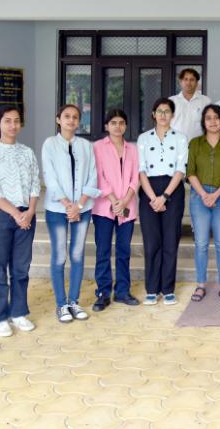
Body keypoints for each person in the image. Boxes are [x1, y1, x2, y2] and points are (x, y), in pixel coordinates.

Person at [0, 106, 40, 337]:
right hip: (0, 215)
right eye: (7, 121)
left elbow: (36, 182)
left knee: (21, 268)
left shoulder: (27, 152)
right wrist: (16, 214)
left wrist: (30, 211)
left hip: (27, 215)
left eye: (17, 121)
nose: (13, 125)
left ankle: (18, 313)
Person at [42, 104, 100, 323]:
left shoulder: (86, 145)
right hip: (57, 209)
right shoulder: (50, 144)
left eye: (75, 117)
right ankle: (61, 304)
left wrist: (80, 204)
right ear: (58, 119)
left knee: (77, 255)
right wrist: (68, 204)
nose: (71, 120)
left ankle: (74, 301)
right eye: (66, 116)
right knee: (59, 256)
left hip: (82, 209)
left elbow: (92, 176)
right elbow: (49, 176)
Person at [137, 98, 188, 306]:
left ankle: (167, 289)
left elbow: (180, 169)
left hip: (172, 191)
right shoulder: (143, 138)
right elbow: (140, 170)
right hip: (148, 191)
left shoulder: (181, 138)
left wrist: (165, 196)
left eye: (167, 111)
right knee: (151, 242)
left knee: (170, 241)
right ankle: (151, 289)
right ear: (153, 114)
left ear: (172, 115)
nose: (163, 115)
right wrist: (153, 198)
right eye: (160, 111)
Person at [187, 104, 220, 303]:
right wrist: (204, 194)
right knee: (200, 244)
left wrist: (215, 195)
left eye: (216, 117)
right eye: (208, 118)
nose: (213, 121)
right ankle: (201, 285)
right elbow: (190, 172)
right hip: (199, 197)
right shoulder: (195, 144)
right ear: (203, 121)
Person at [91, 109, 140, 312]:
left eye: (121, 122)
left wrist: (125, 200)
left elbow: (135, 177)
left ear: (126, 126)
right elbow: (98, 176)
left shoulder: (133, 149)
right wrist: (113, 199)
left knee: (123, 251)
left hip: (127, 206)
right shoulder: (97, 147)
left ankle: (122, 291)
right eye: (113, 122)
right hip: (104, 207)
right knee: (103, 251)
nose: (117, 126)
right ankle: (103, 292)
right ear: (106, 126)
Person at [170, 68, 211, 141]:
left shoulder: (206, 101)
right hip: (175, 144)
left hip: (198, 145)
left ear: (196, 82)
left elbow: (210, 124)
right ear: (180, 82)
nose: (188, 82)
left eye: (192, 80)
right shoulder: (171, 101)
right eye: (185, 79)